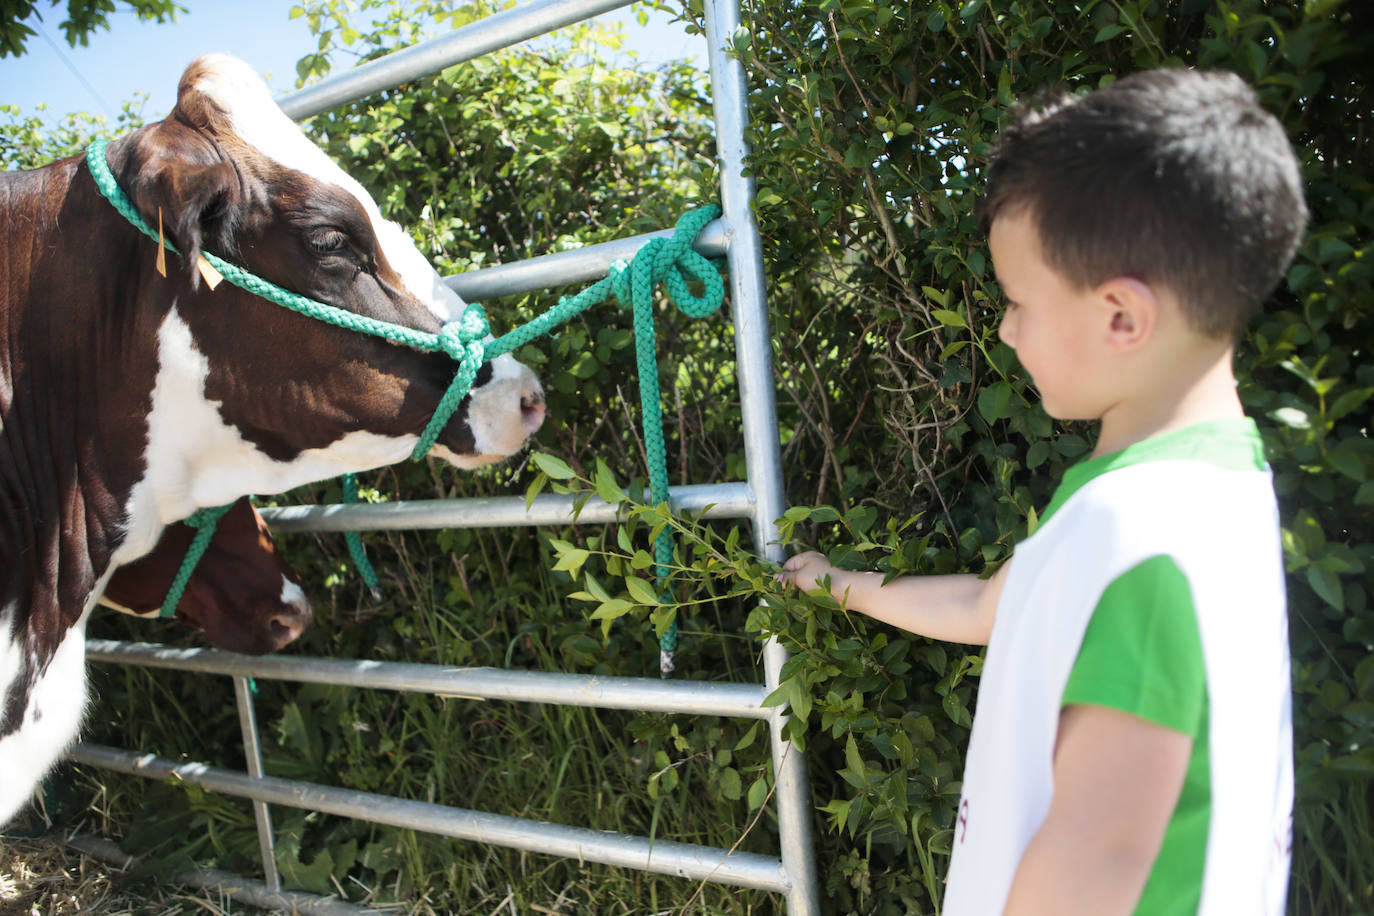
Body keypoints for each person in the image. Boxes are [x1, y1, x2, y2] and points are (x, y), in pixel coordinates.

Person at [778, 68, 1306, 916]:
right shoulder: (1200, 491)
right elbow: (998, 606)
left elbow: (1098, 857)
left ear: (1121, 318)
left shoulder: (1139, 527)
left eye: (1019, 300)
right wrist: (841, 587)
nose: (1004, 326)